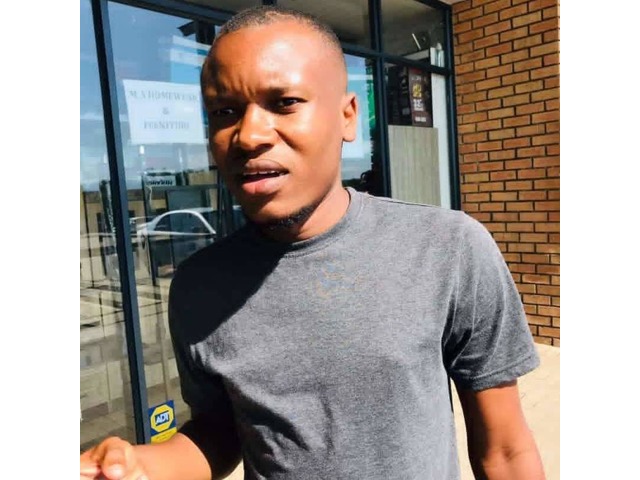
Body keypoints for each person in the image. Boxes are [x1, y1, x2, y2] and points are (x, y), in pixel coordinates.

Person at [80, 6, 545, 480]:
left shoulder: (446, 249)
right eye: (224, 111)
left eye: (284, 102)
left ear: (347, 117)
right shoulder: (199, 286)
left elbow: (505, 451)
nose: (248, 135)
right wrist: (140, 466)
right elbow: (219, 432)